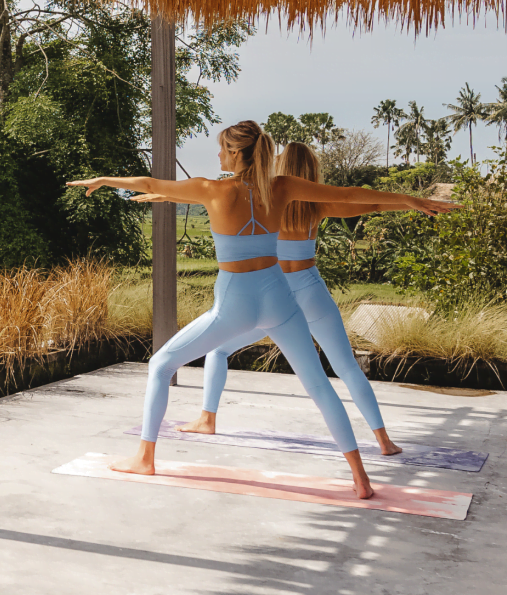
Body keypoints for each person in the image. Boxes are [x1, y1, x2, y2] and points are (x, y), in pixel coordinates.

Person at [67, 120, 455, 498]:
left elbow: (152, 183)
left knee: (161, 365)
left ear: (236, 152)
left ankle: (145, 458)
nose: (218, 153)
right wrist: (410, 201)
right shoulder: (281, 187)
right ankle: (360, 478)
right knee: (319, 384)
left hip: (236, 302)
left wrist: (103, 180)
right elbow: (350, 194)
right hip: (279, 298)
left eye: (222, 148)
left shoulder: (212, 190)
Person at [133, 141, 430, 457]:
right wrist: (413, 203)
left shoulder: (266, 200)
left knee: (218, 350)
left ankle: (208, 418)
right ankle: (384, 441)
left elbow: (216, 194)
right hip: (310, 289)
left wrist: (168, 193)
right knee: (347, 368)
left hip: (275, 294)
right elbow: (368, 204)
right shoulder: (317, 206)